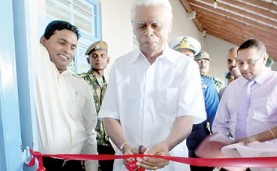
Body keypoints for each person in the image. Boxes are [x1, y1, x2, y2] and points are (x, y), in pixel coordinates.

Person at [99, 0, 206, 170]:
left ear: (169, 25)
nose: (149, 32)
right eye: (142, 26)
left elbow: (186, 117)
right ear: (133, 26)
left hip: (171, 164)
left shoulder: (186, 67)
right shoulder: (120, 66)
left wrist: (166, 145)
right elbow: (110, 116)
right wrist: (124, 146)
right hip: (129, 164)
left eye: (156, 25)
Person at [195, 39, 277, 171]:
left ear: (264, 58)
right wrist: (219, 147)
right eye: (240, 62)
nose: (244, 68)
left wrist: (252, 140)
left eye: (251, 62)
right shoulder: (232, 87)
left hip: (268, 160)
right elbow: (221, 124)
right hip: (234, 159)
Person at [35, 20, 98, 171]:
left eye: (73, 47)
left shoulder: (81, 85)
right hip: (44, 165)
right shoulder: (36, 74)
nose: (67, 50)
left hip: (74, 165)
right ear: (43, 41)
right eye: (61, 43)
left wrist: (92, 167)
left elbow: (89, 131)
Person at [169, 36, 219, 160]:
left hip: (197, 137)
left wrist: (217, 143)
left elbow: (214, 115)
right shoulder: (165, 80)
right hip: (170, 136)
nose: (183, 59)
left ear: (193, 59)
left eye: (188, 55)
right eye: (179, 55)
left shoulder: (206, 84)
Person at [79, 41, 114, 171]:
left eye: (102, 55)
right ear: (88, 61)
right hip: (89, 143)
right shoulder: (80, 81)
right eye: (94, 56)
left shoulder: (110, 87)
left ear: (108, 60)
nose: (98, 59)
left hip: (108, 143)